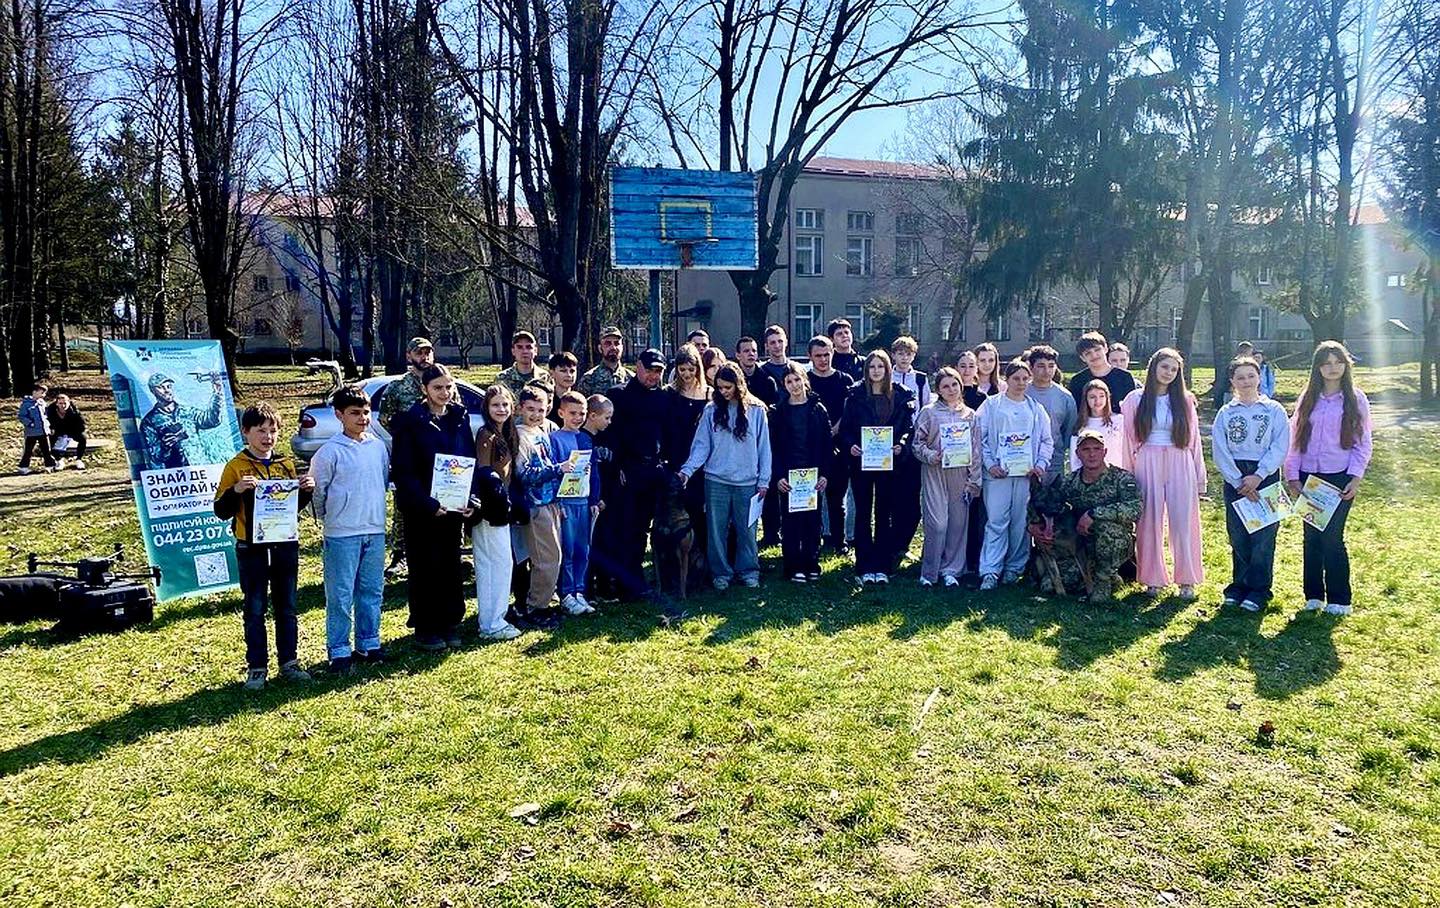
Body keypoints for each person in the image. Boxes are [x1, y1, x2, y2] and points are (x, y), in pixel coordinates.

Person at [214, 402, 315, 690]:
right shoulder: (235, 467)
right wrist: (236, 491)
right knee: (255, 608)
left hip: (284, 546)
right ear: (246, 432)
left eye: (273, 431)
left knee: (287, 607)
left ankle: (289, 663)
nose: (268, 437)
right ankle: (257, 667)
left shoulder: (285, 464)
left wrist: (305, 491)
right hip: (252, 549)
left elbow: (290, 508)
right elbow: (221, 511)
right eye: (261, 431)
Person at [1283, 341, 1373, 616]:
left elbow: (1363, 442)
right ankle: (1313, 596)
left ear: (1346, 365)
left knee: (1332, 537)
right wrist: (1293, 477)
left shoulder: (1355, 398)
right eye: (1326, 363)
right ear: (1318, 368)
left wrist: (1355, 478)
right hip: (1309, 476)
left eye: (1338, 362)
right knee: (1311, 537)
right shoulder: (1308, 397)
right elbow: (1294, 439)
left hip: (1339, 477)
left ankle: (1340, 598)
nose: (1333, 368)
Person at [389, 364, 475, 650]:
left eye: (449, 387)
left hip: (452, 507)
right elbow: (404, 470)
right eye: (438, 387)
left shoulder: (459, 418)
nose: (445, 393)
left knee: (450, 566)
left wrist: (468, 498)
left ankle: (450, 622)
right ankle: (426, 627)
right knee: (425, 567)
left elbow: (467, 460)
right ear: (424, 389)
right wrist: (427, 503)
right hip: (423, 509)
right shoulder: (410, 421)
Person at [310, 384, 390, 673]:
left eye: (366, 412)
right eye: (355, 413)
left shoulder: (378, 447)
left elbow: (382, 480)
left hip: (374, 530)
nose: (362, 418)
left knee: (371, 590)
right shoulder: (328, 452)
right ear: (339, 415)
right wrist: (330, 518)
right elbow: (318, 493)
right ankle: (339, 650)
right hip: (342, 534)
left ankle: (369, 642)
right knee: (341, 595)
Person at [1119, 348, 1205, 601]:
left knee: (1183, 521)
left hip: (1180, 459)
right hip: (1148, 459)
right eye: (1165, 367)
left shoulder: (1185, 400)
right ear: (1154, 367)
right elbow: (1128, 440)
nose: (1168, 373)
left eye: (1174, 369)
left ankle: (1187, 579)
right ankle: (1152, 578)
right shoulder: (1135, 399)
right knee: (1149, 521)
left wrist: (1199, 478)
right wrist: (1128, 475)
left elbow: (1195, 441)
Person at [678, 364, 772, 590]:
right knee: (716, 531)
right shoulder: (711, 410)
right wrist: (687, 470)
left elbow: (764, 448)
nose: (723, 392)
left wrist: (764, 480)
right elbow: (701, 445)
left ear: (739, 385)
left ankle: (748, 570)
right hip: (716, 481)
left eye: (728, 387)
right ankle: (721, 573)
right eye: (719, 387)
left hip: (747, 482)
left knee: (747, 531)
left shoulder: (757, 410)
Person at [1212, 357, 1290, 613]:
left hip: (1265, 475)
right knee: (1238, 534)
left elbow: (1280, 445)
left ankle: (1259, 589)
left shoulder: (1274, 410)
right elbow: (1220, 449)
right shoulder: (1226, 412)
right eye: (1240, 377)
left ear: (1259, 378)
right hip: (1235, 477)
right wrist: (1237, 480)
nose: (1246, 381)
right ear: (1232, 381)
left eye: (1251, 376)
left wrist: (1259, 475)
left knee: (1263, 536)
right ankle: (1239, 585)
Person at [1028, 429, 1142, 603]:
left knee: (1106, 529)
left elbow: (1135, 509)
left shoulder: (1122, 478)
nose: (1091, 454)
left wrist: (1095, 514)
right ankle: (1105, 577)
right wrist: (1032, 526)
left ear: (1105, 452)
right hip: (1080, 547)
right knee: (1049, 586)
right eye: (1086, 449)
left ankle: (1103, 581)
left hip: (1113, 541)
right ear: (1077, 453)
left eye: (1096, 449)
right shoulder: (1069, 482)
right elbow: (1048, 504)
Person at [841, 350, 917, 585]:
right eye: (872, 367)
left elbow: (908, 429)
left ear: (887, 369)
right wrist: (851, 445)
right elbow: (846, 429)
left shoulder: (902, 396)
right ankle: (864, 565)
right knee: (863, 512)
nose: (876, 371)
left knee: (884, 513)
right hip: (862, 463)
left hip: (889, 464)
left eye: (880, 366)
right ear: (866, 370)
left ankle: (882, 565)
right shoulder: (854, 395)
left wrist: (901, 445)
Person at [598, 348, 669, 600]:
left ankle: (636, 578)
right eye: (649, 370)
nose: (653, 376)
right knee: (624, 528)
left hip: (653, 470)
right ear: (638, 366)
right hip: (626, 472)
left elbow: (667, 434)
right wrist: (616, 467)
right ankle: (622, 582)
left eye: (658, 371)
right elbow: (609, 435)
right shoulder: (618, 395)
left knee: (642, 528)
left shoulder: (663, 397)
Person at [976, 359, 1053, 590]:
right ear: (1006, 379)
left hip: (1025, 475)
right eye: (1015, 378)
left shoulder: (1036, 409)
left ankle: (1014, 568)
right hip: (997, 475)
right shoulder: (991, 406)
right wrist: (990, 464)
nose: (1020, 383)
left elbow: (1046, 441)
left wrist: (1040, 465)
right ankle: (990, 570)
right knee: (996, 521)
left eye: (1024, 379)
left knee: (1020, 522)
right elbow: (980, 438)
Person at [911, 367, 982, 587]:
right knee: (937, 523)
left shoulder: (970, 415)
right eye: (945, 386)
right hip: (934, 472)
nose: (951, 390)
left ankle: (951, 570)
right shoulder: (929, 412)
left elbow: (976, 450)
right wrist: (932, 456)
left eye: (954, 385)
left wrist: (974, 481)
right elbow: (917, 444)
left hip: (960, 474)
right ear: (938, 390)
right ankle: (929, 572)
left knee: (958, 524)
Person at [515, 385, 576, 619]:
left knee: (555, 556)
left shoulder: (541, 432)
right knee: (546, 558)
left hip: (551, 502)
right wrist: (558, 469)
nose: (536, 414)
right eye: (530, 409)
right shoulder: (520, 435)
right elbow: (524, 474)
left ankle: (545, 600)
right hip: (535, 504)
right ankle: (536, 607)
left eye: (540, 410)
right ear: (520, 408)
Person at [378, 336, 435, 576]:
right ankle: (400, 555)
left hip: (437, 456)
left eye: (428, 352)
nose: (424, 357)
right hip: (410, 457)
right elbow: (384, 418)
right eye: (419, 353)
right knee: (404, 506)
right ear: (409, 356)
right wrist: (407, 438)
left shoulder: (442, 382)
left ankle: (447, 552)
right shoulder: (398, 387)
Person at [768, 362, 830, 583]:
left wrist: (825, 474)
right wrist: (778, 476)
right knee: (791, 523)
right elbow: (773, 448)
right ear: (784, 385)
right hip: (789, 477)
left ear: (805, 380)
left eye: (797, 380)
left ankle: (811, 562)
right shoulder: (778, 412)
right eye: (789, 382)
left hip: (813, 476)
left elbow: (827, 444)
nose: (794, 385)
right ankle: (793, 566)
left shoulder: (818, 409)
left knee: (813, 522)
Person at [471, 385, 524, 641]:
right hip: (490, 510)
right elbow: (485, 473)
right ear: (486, 408)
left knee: (499, 564)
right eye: (495, 405)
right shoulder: (486, 434)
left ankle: (492, 619)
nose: (501, 409)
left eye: (505, 404)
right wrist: (495, 503)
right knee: (495, 565)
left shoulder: (507, 433)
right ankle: (492, 623)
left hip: (502, 507)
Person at [549, 391, 601, 616]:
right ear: (561, 413)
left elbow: (594, 472)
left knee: (583, 549)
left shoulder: (586, 438)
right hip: (566, 502)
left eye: (582, 414)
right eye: (573, 413)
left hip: (584, 501)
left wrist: (594, 499)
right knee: (568, 550)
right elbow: (553, 472)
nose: (578, 418)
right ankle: (566, 594)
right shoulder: (554, 439)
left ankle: (580, 591)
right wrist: (557, 502)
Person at [805, 335, 854, 553]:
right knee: (812, 498)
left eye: (827, 355)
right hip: (811, 447)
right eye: (818, 356)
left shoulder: (845, 380)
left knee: (837, 497)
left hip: (839, 446)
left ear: (833, 353)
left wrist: (835, 428)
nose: (823, 360)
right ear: (810, 357)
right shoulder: (805, 380)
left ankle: (839, 541)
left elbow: (850, 411)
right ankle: (813, 540)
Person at [662, 344, 710, 557]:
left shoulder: (709, 394)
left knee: (700, 512)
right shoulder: (669, 393)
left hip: (701, 462)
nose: (687, 374)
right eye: (682, 370)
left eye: (691, 369)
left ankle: (701, 559)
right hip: (675, 458)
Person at [889, 335, 929, 555]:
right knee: (893, 494)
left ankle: (905, 541)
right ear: (893, 355)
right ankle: (892, 541)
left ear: (914, 356)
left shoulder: (921, 380)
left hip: (914, 441)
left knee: (912, 495)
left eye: (908, 354)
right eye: (900, 353)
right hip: (891, 441)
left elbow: (926, 410)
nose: (904, 358)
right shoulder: (887, 376)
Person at [139, 371, 224, 469]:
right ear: (152, 391)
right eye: (161, 387)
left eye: (169, 386)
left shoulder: (188, 411)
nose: (167, 390)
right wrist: (165, 446)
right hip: (177, 473)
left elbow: (212, 420)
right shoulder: (149, 421)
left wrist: (217, 393)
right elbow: (155, 457)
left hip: (200, 467)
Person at [581, 395, 618, 601]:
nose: (609, 422)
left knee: (606, 544)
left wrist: (606, 497)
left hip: (606, 501)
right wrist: (593, 499)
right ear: (592, 415)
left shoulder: (608, 437)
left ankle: (604, 586)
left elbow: (612, 471)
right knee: (588, 546)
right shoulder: (581, 438)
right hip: (589, 502)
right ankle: (586, 589)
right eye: (607, 417)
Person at [1025, 345, 1078, 484]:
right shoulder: (1021, 392)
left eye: (1051, 366)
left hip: (1054, 462)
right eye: (1041, 366)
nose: (1047, 371)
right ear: (1031, 367)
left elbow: (1069, 429)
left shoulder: (1065, 397)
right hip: (1023, 461)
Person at [956, 350, 989, 574]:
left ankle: (973, 558)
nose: (967, 370)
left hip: (975, 461)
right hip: (952, 462)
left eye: (971, 366)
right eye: (963, 365)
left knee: (975, 511)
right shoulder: (949, 393)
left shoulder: (983, 399)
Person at [1067, 331, 1136, 413]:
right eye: (1088, 353)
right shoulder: (1077, 381)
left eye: (1097, 350)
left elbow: (1132, 408)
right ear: (1082, 357)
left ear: (1106, 349)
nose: (1094, 355)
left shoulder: (1125, 377)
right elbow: (1076, 411)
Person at [1068, 379, 1126, 471]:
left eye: (1101, 396)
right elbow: (1075, 459)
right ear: (1086, 399)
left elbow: (1127, 450)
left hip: (1117, 474)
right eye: (1092, 397)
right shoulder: (1081, 425)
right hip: (1090, 475)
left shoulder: (1119, 421)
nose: (1097, 401)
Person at [577, 326, 633, 396]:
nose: (613, 347)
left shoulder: (631, 379)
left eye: (616, 343)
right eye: (608, 343)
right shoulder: (589, 379)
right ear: (600, 348)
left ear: (622, 347)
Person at [496, 330, 550, 399]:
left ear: (535, 351)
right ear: (513, 351)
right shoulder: (502, 378)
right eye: (519, 347)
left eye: (529, 347)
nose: (524, 351)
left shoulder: (545, 377)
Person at [17, 383, 56, 474]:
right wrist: (30, 423)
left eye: (44, 393)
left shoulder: (42, 403)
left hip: (44, 431)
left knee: (46, 449)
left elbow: (46, 415)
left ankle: (49, 465)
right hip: (32, 432)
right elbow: (22, 416)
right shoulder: (26, 404)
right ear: (34, 392)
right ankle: (23, 467)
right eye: (41, 393)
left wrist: (49, 425)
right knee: (28, 450)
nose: (43, 395)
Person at [46, 393, 88, 469]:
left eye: (65, 403)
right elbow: (47, 422)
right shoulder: (51, 410)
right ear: (56, 403)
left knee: (83, 438)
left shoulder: (74, 410)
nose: (63, 405)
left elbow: (82, 424)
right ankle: (58, 460)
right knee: (50, 439)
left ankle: (79, 459)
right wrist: (51, 429)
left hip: (72, 429)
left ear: (68, 403)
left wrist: (74, 432)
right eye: (60, 403)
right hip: (57, 430)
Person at [735, 336, 778, 406]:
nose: (751, 354)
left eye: (754, 351)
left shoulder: (767, 381)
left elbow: (774, 407)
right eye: (746, 351)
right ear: (738, 355)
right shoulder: (732, 379)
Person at [546, 351, 580, 422]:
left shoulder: (580, 399)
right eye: (563, 371)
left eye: (572, 371)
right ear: (552, 373)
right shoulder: (547, 400)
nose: (569, 375)